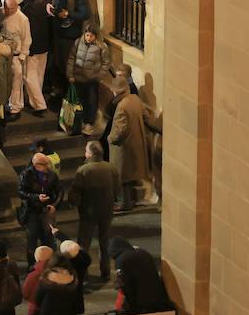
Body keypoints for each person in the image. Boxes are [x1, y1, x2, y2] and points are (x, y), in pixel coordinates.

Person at [67, 141, 122, 279]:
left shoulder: (84, 170)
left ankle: (82, 272)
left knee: (84, 243)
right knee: (104, 241)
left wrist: (74, 203)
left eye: (86, 150)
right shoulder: (112, 168)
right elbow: (117, 189)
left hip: (88, 212)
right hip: (106, 211)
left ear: (90, 153)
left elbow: (75, 192)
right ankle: (106, 271)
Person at [107, 74, 153, 211]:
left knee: (122, 177)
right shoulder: (135, 99)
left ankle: (124, 203)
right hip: (136, 143)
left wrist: (111, 138)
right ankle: (132, 200)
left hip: (124, 148)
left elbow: (120, 130)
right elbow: (146, 116)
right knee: (131, 175)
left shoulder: (122, 106)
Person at [67, 22, 112, 135]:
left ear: (96, 36)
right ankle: (78, 123)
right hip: (78, 78)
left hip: (92, 80)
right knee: (78, 101)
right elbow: (72, 58)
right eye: (87, 35)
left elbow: (106, 63)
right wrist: (70, 74)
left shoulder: (101, 47)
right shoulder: (78, 43)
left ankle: (88, 123)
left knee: (91, 102)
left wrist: (99, 76)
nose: (88, 38)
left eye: (91, 36)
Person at [16, 150, 60, 259]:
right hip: (32, 210)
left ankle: (48, 261)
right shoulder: (27, 174)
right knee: (32, 238)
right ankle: (32, 264)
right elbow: (21, 192)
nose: (48, 166)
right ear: (37, 165)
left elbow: (59, 191)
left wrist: (54, 205)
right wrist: (36, 197)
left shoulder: (52, 174)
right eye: (44, 164)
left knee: (49, 238)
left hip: (46, 210)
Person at [110, 238, 173, 313]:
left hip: (141, 304)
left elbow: (125, 286)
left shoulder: (120, 260)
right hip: (158, 299)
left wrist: (130, 307)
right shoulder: (143, 252)